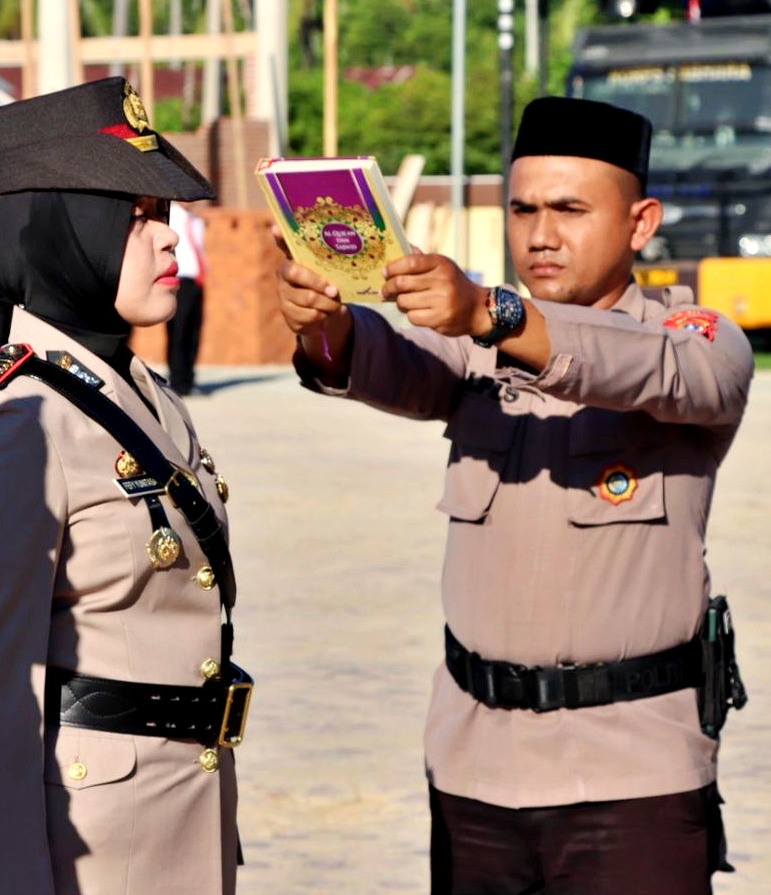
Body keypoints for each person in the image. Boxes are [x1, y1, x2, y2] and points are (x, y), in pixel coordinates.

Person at [276, 96, 754, 894]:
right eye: (523, 208)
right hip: (474, 768)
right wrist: (321, 325)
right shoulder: (476, 346)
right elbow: (383, 362)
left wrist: (490, 311)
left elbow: (649, 369)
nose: (539, 234)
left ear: (639, 223)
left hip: (631, 776)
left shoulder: (695, 338)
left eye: (569, 209)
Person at [0, 78, 246, 895]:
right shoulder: (7, 427)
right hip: (79, 857)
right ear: (62, 229)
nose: (167, 240)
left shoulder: (141, 391)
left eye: (163, 216)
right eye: (136, 217)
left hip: (180, 825)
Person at [167, 200, 207, 394]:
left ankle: (189, 380)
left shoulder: (196, 221)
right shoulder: (168, 215)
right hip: (178, 280)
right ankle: (177, 381)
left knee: (194, 331)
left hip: (196, 281)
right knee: (178, 332)